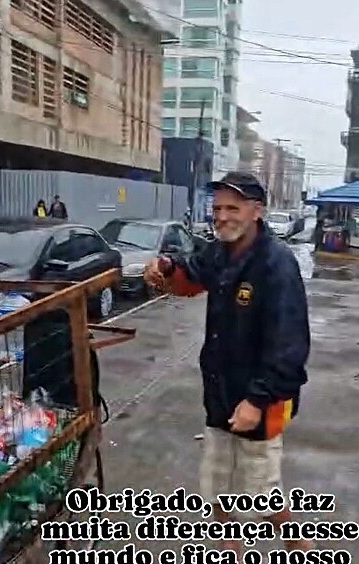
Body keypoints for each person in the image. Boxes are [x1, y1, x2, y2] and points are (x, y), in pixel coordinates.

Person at [144, 171, 313, 554]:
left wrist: (257, 401)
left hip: (261, 403)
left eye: (232, 208)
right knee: (220, 491)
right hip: (220, 395)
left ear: (256, 211)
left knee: (262, 495)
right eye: (217, 207)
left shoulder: (276, 264)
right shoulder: (220, 252)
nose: (221, 216)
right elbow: (191, 274)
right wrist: (167, 267)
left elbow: (291, 348)